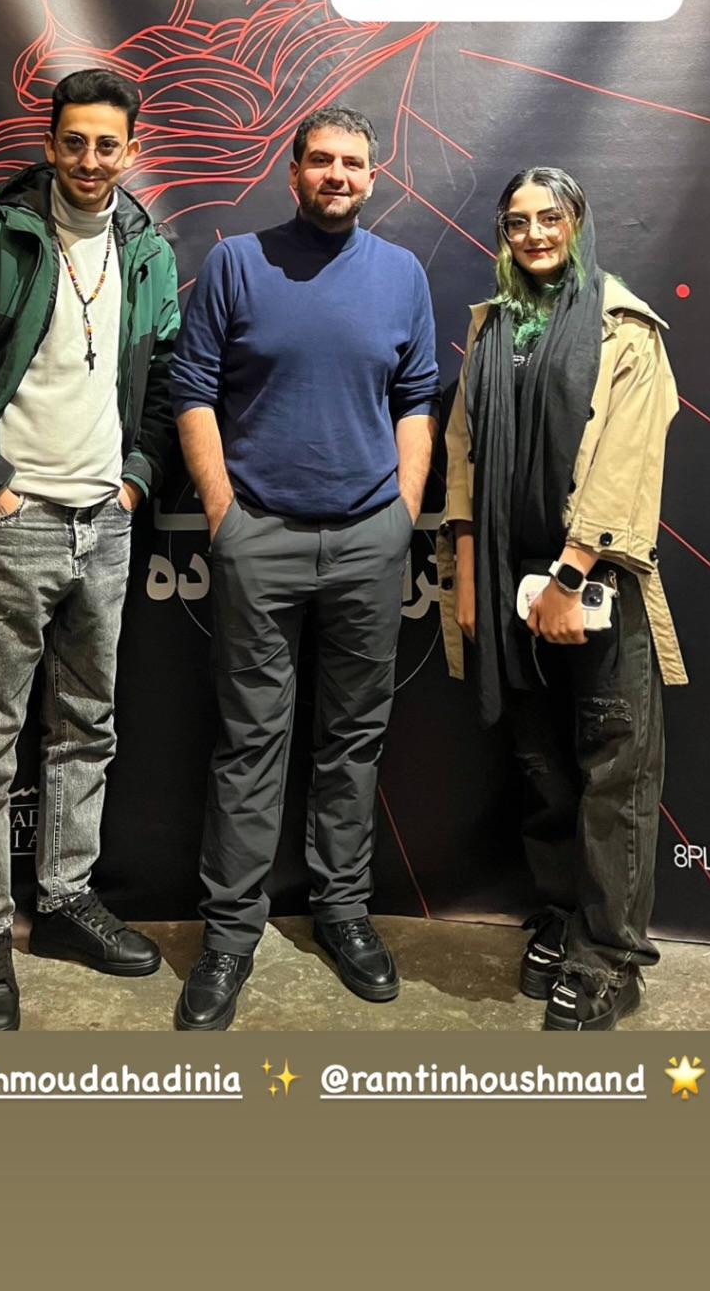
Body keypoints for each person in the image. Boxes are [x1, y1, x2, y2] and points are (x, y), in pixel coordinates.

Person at [0, 68, 180, 1031]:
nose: (91, 160)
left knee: (86, 727)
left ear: (131, 151)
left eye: (108, 145)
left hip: (107, 524)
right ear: (51, 144)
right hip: (12, 526)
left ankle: (63, 903)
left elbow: (166, 375)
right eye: (75, 142)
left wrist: (136, 478)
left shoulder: (148, 251)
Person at [169, 106, 439, 1030]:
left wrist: (402, 511)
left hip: (370, 538)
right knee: (251, 741)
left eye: (352, 163)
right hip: (260, 536)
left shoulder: (401, 275)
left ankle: (344, 912)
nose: (337, 175)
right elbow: (192, 389)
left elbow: (416, 397)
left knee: (352, 738)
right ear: (292, 173)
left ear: (374, 176)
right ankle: (229, 935)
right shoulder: (238, 263)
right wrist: (222, 512)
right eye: (320, 160)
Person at [442, 167, 685, 1031]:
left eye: (550, 218)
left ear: (576, 222)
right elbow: (463, 450)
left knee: (614, 774)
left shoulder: (625, 327)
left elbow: (627, 463)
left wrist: (571, 576)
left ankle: (610, 955)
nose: (535, 234)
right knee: (543, 767)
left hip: (595, 586)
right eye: (518, 222)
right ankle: (558, 915)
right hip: (507, 582)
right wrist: (468, 571)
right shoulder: (493, 326)